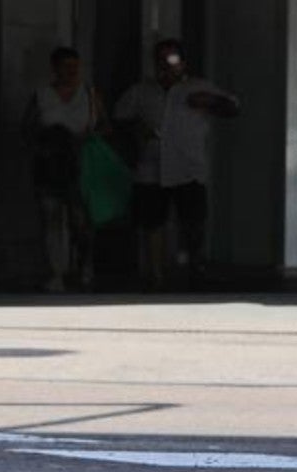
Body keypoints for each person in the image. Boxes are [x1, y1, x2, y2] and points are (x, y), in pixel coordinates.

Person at [115, 39, 239, 289]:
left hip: (188, 167)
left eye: (172, 59)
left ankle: (195, 268)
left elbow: (233, 107)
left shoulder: (199, 87)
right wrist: (137, 131)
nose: (166, 64)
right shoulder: (142, 91)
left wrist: (210, 102)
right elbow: (119, 117)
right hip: (152, 167)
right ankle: (156, 275)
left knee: (193, 221)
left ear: (183, 62)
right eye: (161, 59)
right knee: (152, 223)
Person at [22, 47, 109, 292]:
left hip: (80, 163)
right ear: (55, 68)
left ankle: (84, 265)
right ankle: (56, 272)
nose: (71, 71)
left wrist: (89, 138)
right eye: (65, 66)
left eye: (75, 66)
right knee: (50, 217)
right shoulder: (42, 95)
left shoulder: (89, 94)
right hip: (50, 163)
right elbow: (26, 129)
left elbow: (105, 126)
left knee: (80, 219)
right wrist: (42, 144)